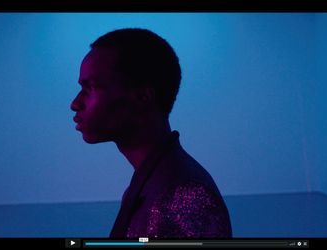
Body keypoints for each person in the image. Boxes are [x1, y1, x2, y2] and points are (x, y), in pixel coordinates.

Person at [70, 28, 232, 238]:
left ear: (142, 98)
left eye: (90, 88)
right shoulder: (154, 183)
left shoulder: (186, 194)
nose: (75, 104)